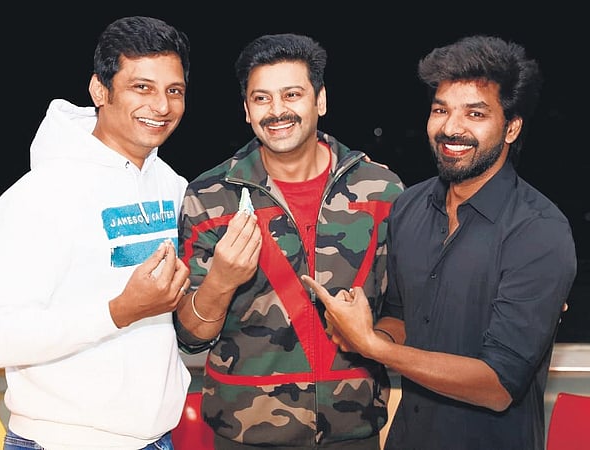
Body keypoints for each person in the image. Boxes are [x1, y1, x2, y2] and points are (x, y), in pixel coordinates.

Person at [301, 35, 578, 450]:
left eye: (475, 113)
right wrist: (361, 332)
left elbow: (499, 385)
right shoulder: (409, 206)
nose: (451, 128)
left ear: (511, 127)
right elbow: (400, 317)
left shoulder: (539, 231)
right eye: (441, 110)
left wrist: (374, 348)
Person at [173, 33, 405, 449]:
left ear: (320, 100)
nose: (277, 110)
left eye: (292, 94)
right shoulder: (209, 197)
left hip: (353, 430)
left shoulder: (380, 191)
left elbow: (404, 310)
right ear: (246, 110)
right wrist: (221, 280)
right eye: (261, 98)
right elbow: (190, 336)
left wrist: (376, 343)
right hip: (244, 432)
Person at [0, 16, 193, 450]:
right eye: (142, 87)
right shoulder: (40, 193)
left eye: (174, 91)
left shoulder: (173, 186)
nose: (162, 106)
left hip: (157, 439)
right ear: (100, 90)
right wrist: (119, 310)